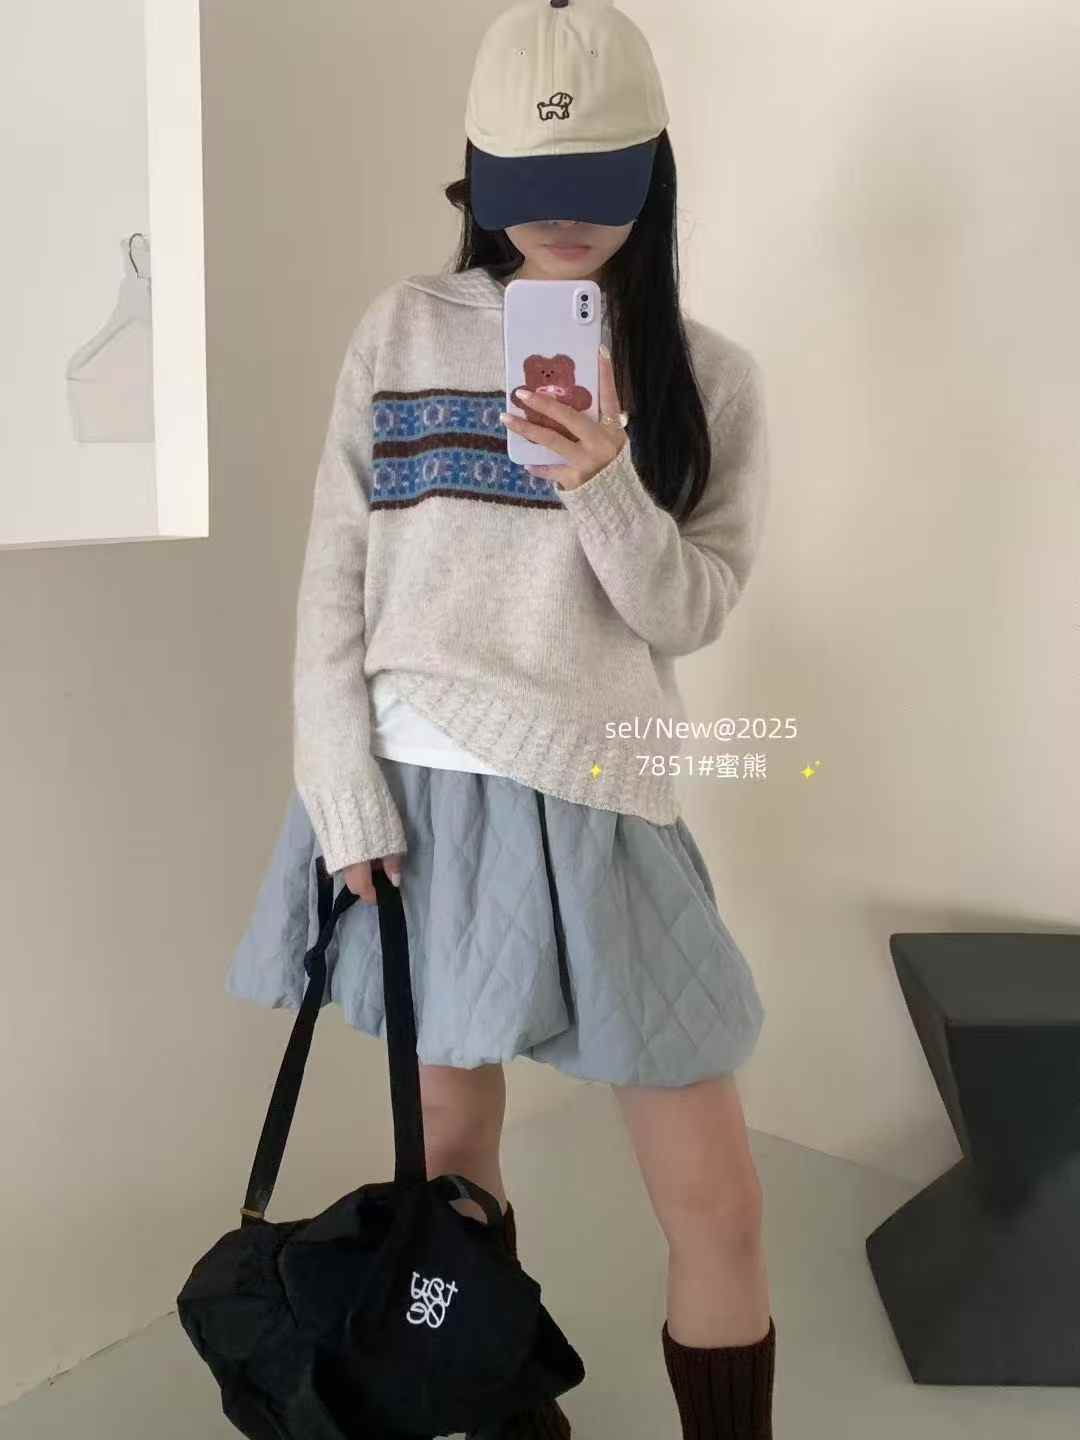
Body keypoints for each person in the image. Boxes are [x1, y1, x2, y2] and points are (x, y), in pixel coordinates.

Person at [228, 2, 776, 1436]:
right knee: (452, 1165)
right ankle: (495, 1411)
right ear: (477, 175)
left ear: (654, 169)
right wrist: (341, 792)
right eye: (527, 188)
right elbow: (333, 580)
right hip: (417, 797)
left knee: (716, 1199)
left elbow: (689, 612)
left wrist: (603, 481)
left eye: (594, 184)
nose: (559, 221)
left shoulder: (710, 377)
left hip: (603, 799)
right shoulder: (404, 329)